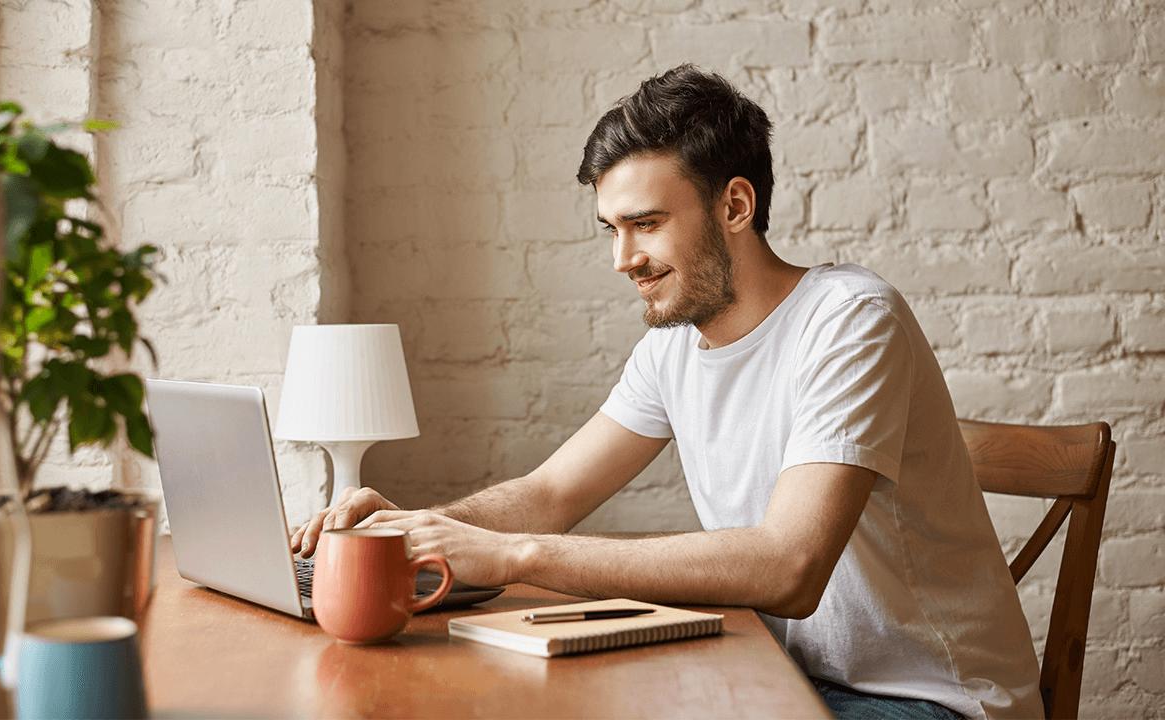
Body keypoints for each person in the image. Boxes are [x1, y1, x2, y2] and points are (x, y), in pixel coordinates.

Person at [289, 64, 1043, 720]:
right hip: (777, 674)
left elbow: (788, 568)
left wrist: (513, 555)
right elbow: (551, 492)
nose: (623, 260)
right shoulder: (672, 349)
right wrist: (419, 526)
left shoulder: (850, 321)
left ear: (735, 208)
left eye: (645, 225)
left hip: (924, 700)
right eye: (610, 230)